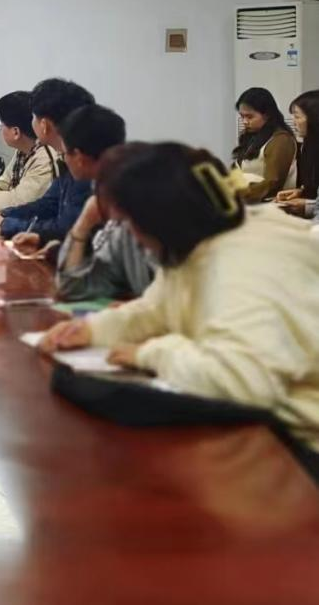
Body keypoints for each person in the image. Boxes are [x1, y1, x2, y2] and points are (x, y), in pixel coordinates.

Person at [40, 144, 319, 478]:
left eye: (130, 222)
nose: (131, 235)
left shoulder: (242, 261)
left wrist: (150, 353)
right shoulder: (201, 241)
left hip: (301, 450)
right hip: (269, 433)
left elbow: (243, 382)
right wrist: (93, 330)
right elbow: (156, 309)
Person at [0, 78, 95, 251]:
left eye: (33, 117)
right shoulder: (65, 157)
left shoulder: (82, 164)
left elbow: (63, 229)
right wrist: (3, 215)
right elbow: (47, 204)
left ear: (44, 125)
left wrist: (6, 224)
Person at [52, 114, 155, 303]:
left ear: (79, 157)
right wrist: (82, 226)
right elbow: (71, 288)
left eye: (65, 154)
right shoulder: (120, 230)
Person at [231, 87, 296, 203]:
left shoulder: (281, 140)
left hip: (270, 204)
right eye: (242, 116)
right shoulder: (251, 137)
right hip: (250, 202)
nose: (245, 121)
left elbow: (272, 182)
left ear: (267, 115)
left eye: (250, 117)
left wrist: (239, 193)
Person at [275, 90, 319, 219]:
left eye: (297, 116)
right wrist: (301, 192)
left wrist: (308, 205)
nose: (293, 122)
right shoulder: (308, 146)